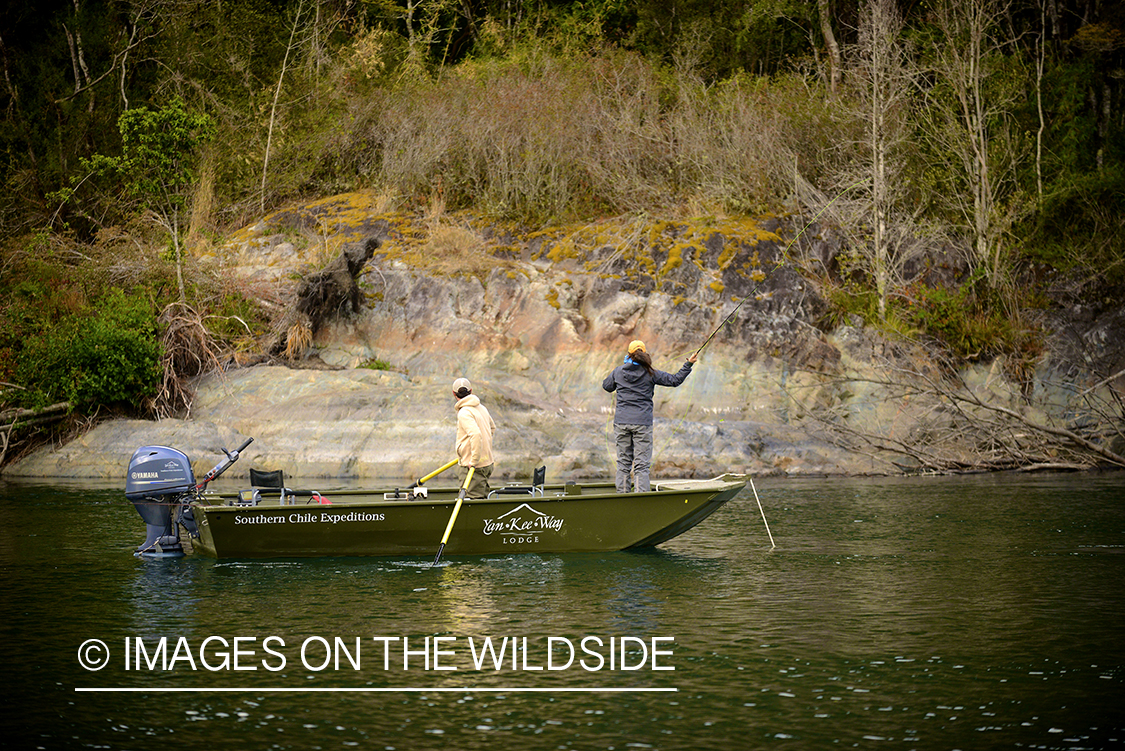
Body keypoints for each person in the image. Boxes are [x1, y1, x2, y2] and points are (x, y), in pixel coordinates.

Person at [602, 340, 697, 493]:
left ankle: (622, 498)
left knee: (623, 464)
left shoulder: (618, 371)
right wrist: (689, 364)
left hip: (621, 423)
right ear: (644, 354)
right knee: (641, 465)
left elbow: (607, 386)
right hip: (642, 424)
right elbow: (675, 380)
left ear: (628, 354)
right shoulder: (651, 373)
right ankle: (640, 499)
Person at [451, 377, 496, 498]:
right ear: (471, 390)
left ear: (454, 394)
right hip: (487, 463)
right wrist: (483, 448)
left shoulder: (464, 412)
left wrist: (474, 460)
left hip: (473, 467)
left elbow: (476, 434)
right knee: (482, 495)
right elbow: (492, 428)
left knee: (471, 499)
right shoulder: (482, 408)